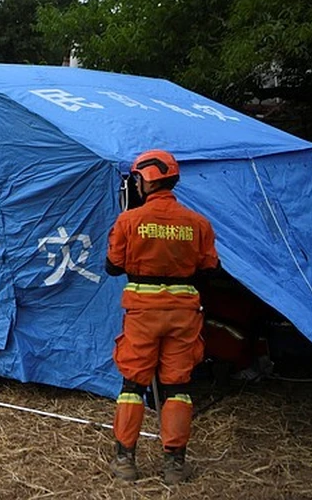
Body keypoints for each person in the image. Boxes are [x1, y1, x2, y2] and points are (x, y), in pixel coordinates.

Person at [105, 150, 220, 484]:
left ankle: (125, 461)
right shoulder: (198, 223)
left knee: (133, 385)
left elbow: (113, 266)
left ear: (147, 179)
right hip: (184, 314)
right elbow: (210, 268)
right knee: (177, 387)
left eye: (137, 179)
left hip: (143, 314)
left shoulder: (129, 221)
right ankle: (175, 464)